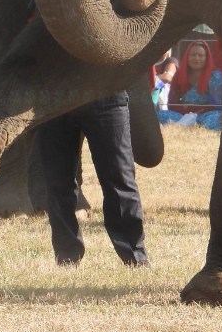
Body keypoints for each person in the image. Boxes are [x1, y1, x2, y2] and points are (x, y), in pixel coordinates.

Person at [35, 92, 149, 267]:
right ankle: (67, 257)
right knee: (57, 182)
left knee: (120, 179)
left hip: (107, 92)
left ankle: (135, 257)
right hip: (55, 95)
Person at [160, 40, 222, 130]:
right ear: (187, 57)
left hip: (206, 115)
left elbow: (221, 103)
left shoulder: (215, 76)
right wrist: (186, 112)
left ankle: (192, 126)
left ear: (207, 58)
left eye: (200, 55)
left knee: (216, 118)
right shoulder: (180, 74)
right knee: (161, 115)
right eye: (193, 55)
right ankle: (187, 124)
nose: (196, 58)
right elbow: (172, 102)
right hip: (183, 115)